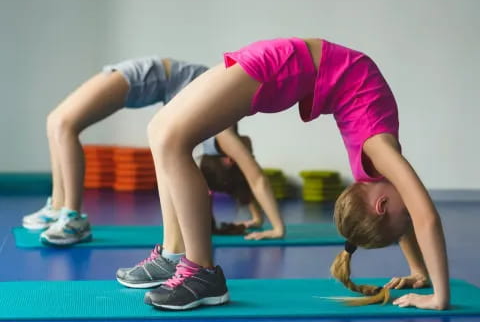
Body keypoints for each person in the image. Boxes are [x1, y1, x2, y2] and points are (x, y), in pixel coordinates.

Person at [139, 37, 449, 311]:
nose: (409, 209)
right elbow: (426, 218)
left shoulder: (376, 172)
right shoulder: (380, 152)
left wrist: (418, 270)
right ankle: (200, 271)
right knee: (172, 141)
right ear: (380, 204)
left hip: (289, 59)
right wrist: (439, 298)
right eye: (405, 216)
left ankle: (175, 256)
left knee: (160, 132)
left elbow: (407, 213)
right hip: (290, 64)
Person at [21, 57, 284, 248]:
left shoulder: (220, 136)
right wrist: (266, 221)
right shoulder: (219, 129)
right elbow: (250, 177)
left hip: (151, 77)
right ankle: (61, 208)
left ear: (226, 162)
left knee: (61, 123)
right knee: (59, 123)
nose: (249, 149)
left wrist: (266, 222)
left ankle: (69, 214)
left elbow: (251, 176)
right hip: (154, 74)